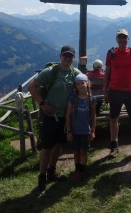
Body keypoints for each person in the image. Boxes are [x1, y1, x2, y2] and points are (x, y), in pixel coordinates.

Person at [28, 45, 81, 193]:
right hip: (50, 116)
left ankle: (51, 171)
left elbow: (84, 83)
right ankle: (42, 177)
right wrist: (42, 103)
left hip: (65, 117)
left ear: (73, 58)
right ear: (60, 56)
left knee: (58, 144)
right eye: (65, 55)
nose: (67, 58)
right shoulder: (50, 72)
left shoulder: (74, 73)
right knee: (46, 147)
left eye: (70, 56)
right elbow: (32, 86)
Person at [104, 28, 131, 157]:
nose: (122, 40)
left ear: (128, 39)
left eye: (124, 37)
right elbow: (107, 73)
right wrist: (105, 91)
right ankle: (114, 146)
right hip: (114, 91)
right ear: (117, 39)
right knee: (114, 118)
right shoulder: (111, 53)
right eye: (120, 37)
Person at [65, 73, 97, 182]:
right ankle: (77, 170)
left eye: (82, 83)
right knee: (76, 151)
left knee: (83, 151)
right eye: (77, 84)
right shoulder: (72, 99)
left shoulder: (91, 99)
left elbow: (93, 116)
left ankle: (82, 171)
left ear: (87, 83)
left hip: (85, 130)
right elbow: (68, 115)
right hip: (74, 131)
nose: (80, 85)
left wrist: (93, 131)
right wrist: (69, 131)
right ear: (75, 86)